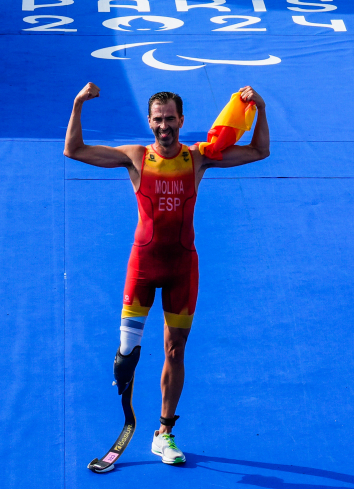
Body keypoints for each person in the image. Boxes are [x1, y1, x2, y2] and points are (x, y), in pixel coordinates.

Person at [64, 82, 269, 465]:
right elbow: (73, 150)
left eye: (170, 119)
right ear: (150, 121)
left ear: (181, 120)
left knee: (175, 350)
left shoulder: (198, 158)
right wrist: (78, 105)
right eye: (158, 119)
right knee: (127, 355)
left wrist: (261, 108)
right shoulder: (135, 157)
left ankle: (164, 433)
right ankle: (127, 407)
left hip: (182, 270)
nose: (164, 126)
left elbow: (260, 151)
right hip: (142, 268)